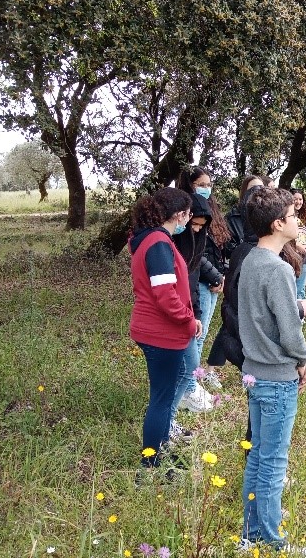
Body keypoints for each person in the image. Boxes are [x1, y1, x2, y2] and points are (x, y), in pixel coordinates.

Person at [238, 187, 306, 553]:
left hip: (254, 374)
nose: (298, 220)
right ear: (277, 224)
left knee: (257, 456)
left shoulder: (251, 260)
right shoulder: (278, 269)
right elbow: (289, 330)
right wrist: (304, 358)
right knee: (272, 463)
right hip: (276, 378)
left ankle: (251, 532)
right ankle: (271, 540)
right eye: (293, 215)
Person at [128, 188, 199, 471]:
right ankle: (151, 464)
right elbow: (165, 295)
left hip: (155, 329)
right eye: (188, 214)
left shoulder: (151, 238)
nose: (188, 220)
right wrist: (188, 320)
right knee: (161, 399)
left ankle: (162, 449)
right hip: (161, 332)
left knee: (165, 393)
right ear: (179, 214)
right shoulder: (158, 242)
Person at [177, 166, 231, 391]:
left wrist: (222, 274)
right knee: (197, 334)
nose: (206, 189)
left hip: (214, 277)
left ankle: (194, 380)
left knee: (203, 331)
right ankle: (190, 384)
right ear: (190, 185)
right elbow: (195, 256)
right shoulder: (184, 214)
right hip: (200, 279)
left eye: (209, 185)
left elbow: (218, 248)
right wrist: (215, 276)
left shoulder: (210, 211)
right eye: (201, 185)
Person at [171, 194, 222, 420]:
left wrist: (197, 313)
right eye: (194, 224)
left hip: (191, 307)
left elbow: (193, 278)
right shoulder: (173, 244)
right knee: (187, 361)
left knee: (191, 356)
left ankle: (188, 390)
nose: (197, 230)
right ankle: (185, 393)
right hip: (179, 311)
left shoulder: (195, 243)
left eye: (202, 226)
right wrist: (189, 314)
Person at [291, 188, 306, 300]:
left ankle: (301, 309)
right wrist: (296, 245)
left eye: (300, 199)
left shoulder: (303, 217)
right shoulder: (285, 216)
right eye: (295, 199)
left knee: (301, 288)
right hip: (291, 255)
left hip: (305, 256)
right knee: (291, 286)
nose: (298, 202)